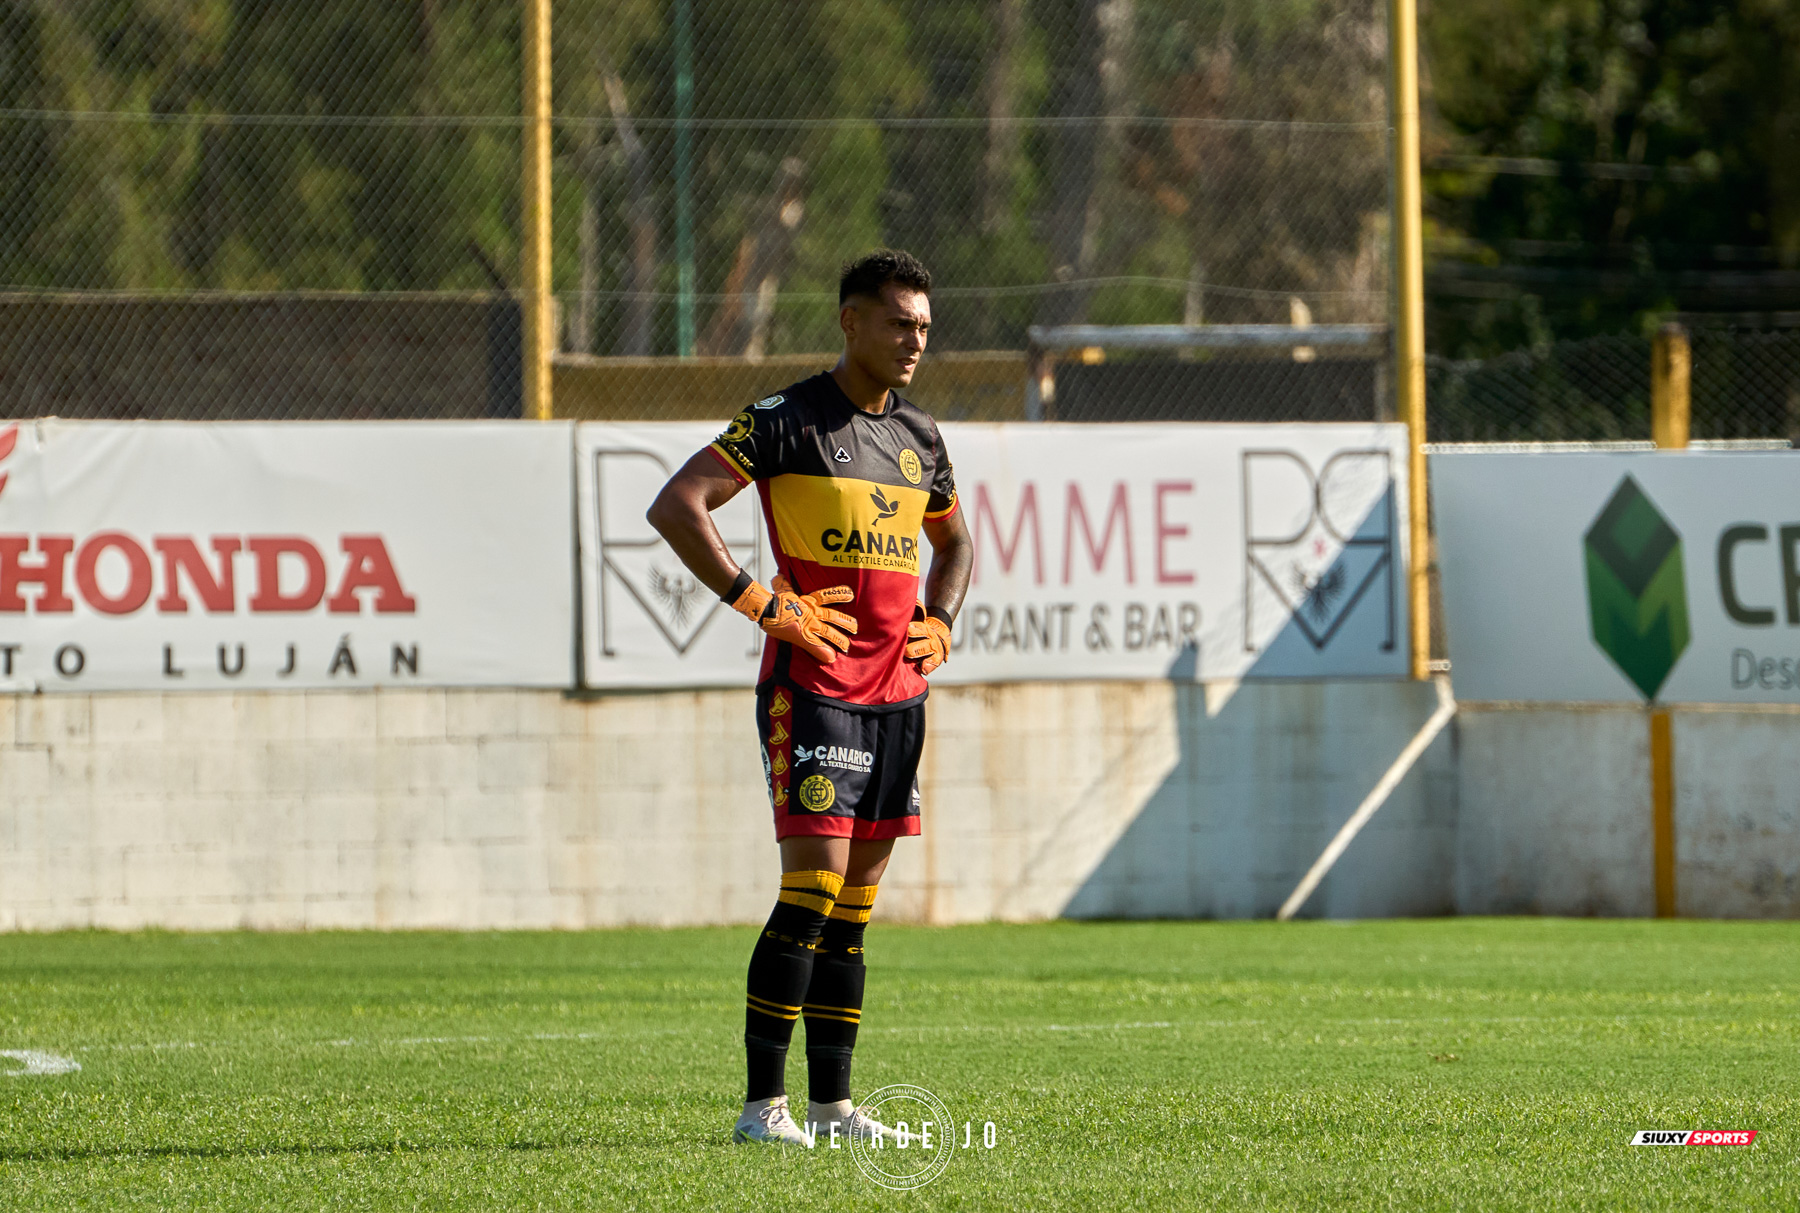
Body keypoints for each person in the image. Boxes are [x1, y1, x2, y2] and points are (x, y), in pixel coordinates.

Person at [646, 249, 974, 1147]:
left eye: (923, 326)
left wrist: (941, 620)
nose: (914, 340)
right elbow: (678, 504)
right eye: (898, 322)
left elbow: (956, 544)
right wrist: (760, 602)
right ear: (850, 321)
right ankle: (763, 1108)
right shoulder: (786, 419)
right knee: (812, 890)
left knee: (853, 913)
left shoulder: (921, 437)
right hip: (816, 688)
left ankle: (832, 1109)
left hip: (898, 696)